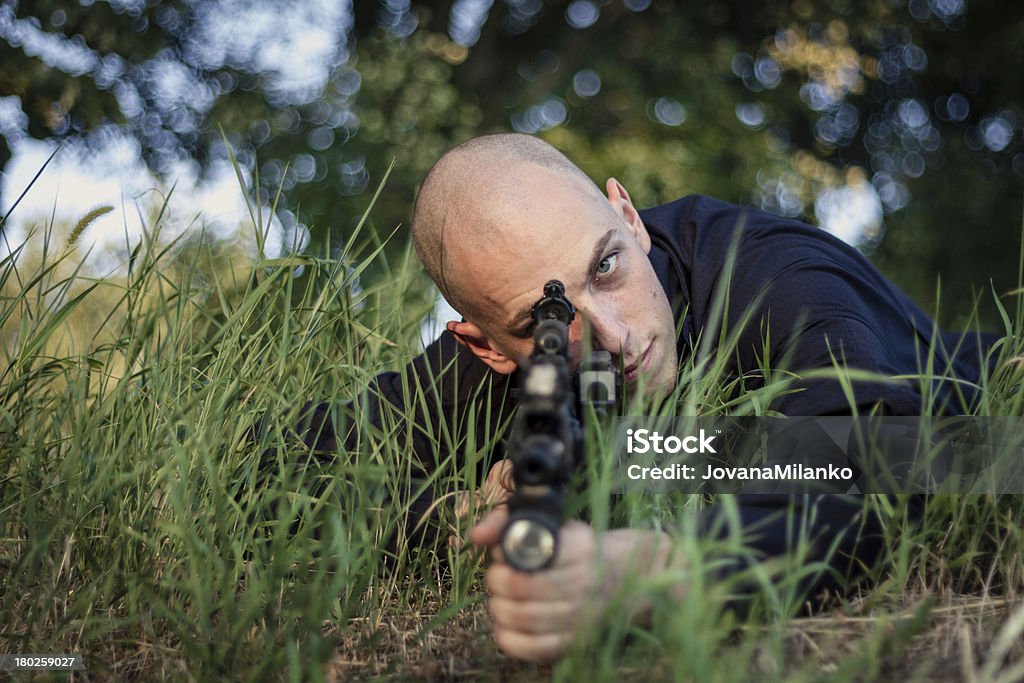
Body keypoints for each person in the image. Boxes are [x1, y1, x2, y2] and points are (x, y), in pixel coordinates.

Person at [290, 133, 998, 663]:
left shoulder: (774, 276)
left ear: (628, 216)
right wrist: (450, 516)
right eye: (548, 320)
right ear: (482, 344)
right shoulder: (500, 356)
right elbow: (282, 461)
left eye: (607, 265)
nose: (616, 336)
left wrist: (661, 565)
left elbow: (896, 464)